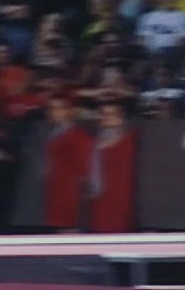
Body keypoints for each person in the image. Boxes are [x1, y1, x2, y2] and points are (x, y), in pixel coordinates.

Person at [43, 94, 95, 233]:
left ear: (69, 111)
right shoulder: (49, 133)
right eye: (52, 109)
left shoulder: (78, 136)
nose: (54, 113)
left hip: (71, 194)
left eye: (59, 109)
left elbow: (85, 167)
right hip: (55, 192)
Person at [89, 100, 138, 233]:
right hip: (100, 197)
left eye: (112, 114)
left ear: (121, 118)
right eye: (103, 114)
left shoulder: (130, 140)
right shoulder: (92, 142)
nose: (106, 118)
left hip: (122, 197)